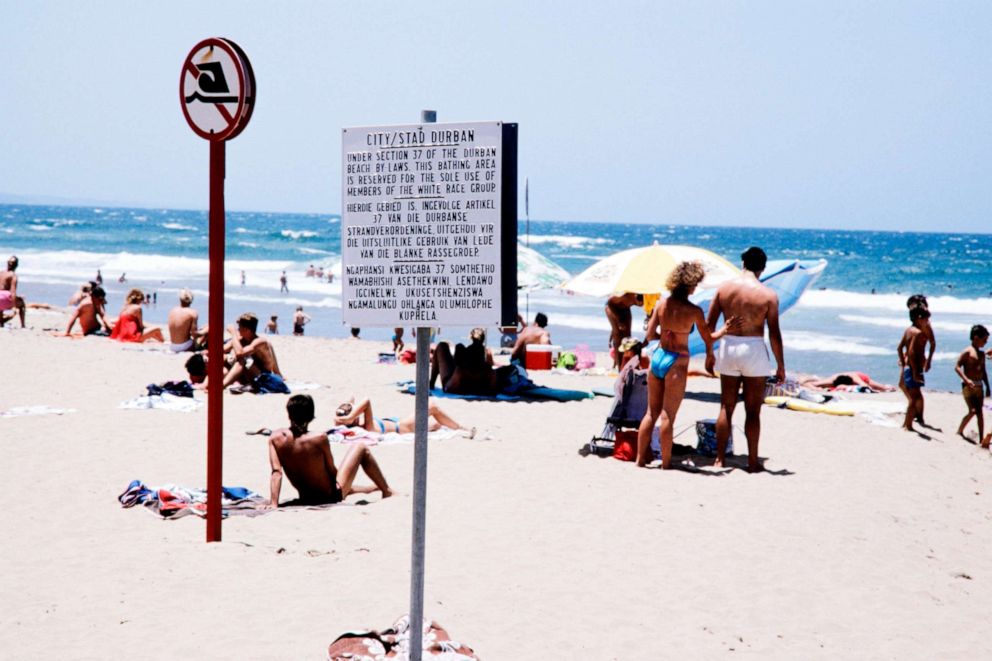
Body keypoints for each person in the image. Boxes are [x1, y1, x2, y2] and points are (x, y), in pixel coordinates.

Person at [636, 262, 735, 468]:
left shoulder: (661, 303)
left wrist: (666, 334)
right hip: (677, 361)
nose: (695, 288)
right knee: (667, 417)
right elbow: (709, 338)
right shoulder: (694, 310)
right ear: (689, 285)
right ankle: (665, 463)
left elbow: (649, 335)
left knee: (650, 413)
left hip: (659, 356)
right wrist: (724, 330)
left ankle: (639, 460)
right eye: (695, 285)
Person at [706, 247, 784, 472]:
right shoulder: (768, 295)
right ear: (763, 268)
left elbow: (708, 327)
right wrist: (780, 365)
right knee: (753, 410)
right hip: (754, 349)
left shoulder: (724, 289)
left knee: (725, 407)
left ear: (743, 264)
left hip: (728, 346)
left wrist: (710, 353)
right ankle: (751, 461)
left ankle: (720, 459)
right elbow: (774, 334)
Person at [263, 394, 393, 508]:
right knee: (360, 447)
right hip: (329, 496)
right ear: (310, 417)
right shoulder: (319, 438)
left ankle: (370, 488)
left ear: (289, 414)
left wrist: (274, 503)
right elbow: (331, 470)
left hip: (305, 497)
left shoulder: (275, 438)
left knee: (343, 485)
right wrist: (341, 484)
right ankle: (387, 491)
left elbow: (276, 473)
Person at [334, 395, 474, 436]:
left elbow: (351, 398)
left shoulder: (362, 424)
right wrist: (348, 417)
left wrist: (345, 416)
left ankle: (455, 428)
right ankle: (462, 428)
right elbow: (366, 400)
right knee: (432, 406)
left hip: (401, 423)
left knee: (437, 425)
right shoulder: (368, 427)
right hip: (403, 427)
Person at [431, 327, 513, 396]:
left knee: (442, 346)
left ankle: (431, 383)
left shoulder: (462, 368)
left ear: (471, 337)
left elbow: (457, 364)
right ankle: (431, 383)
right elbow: (494, 389)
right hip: (481, 387)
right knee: (459, 348)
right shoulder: (487, 364)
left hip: (456, 387)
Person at [222, 312, 289, 393]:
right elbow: (222, 350)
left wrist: (233, 333)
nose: (238, 329)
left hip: (262, 376)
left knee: (242, 360)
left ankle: (221, 385)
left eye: (240, 327)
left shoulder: (260, 342)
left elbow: (240, 353)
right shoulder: (242, 339)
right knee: (225, 358)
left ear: (247, 330)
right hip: (249, 375)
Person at [901, 295, 936, 424]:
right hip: (910, 357)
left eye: (911, 306)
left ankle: (918, 414)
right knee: (903, 384)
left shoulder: (925, 323)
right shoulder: (917, 321)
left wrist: (929, 360)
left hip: (917, 358)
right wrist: (904, 355)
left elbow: (932, 342)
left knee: (915, 389)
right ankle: (914, 408)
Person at [897, 306, 931, 432]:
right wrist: (916, 371)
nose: (927, 322)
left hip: (908, 367)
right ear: (919, 318)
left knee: (913, 397)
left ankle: (906, 423)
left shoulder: (908, 330)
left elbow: (899, 348)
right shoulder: (918, 333)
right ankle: (908, 425)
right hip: (913, 368)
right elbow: (911, 352)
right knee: (914, 398)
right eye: (926, 319)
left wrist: (903, 362)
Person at [955, 325, 989, 446]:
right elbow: (957, 367)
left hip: (979, 386)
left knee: (980, 413)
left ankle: (981, 439)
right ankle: (959, 430)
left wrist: (988, 386)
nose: (986, 342)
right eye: (984, 340)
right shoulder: (967, 352)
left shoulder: (982, 354)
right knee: (973, 411)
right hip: (967, 386)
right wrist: (966, 379)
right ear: (976, 338)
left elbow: (984, 371)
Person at [605, 292, 643, 369]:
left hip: (625, 307)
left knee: (627, 338)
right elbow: (610, 302)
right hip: (612, 307)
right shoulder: (625, 296)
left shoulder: (642, 297)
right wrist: (619, 320)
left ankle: (627, 363)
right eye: (639, 304)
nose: (640, 306)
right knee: (618, 336)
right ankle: (619, 366)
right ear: (635, 297)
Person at [799, 372, 895, 392]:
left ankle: (814, 377)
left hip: (864, 378)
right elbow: (803, 383)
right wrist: (814, 388)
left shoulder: (854, 377)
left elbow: (864, 385)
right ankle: (813, 377)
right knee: (819, 383)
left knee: (882, 388)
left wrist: (874, 390)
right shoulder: (832, 381)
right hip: (839, 379)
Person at [0, 256, 26, 328]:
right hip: (4, 299)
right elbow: (13, 291)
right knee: (22, 304)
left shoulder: (1, 273)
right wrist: (14, 306)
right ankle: (23, 325)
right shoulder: (13, 275)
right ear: (16, 265)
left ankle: (1, 323)